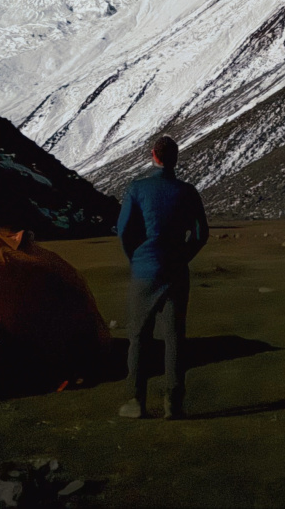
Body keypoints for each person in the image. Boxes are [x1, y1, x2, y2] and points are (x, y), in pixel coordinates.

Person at [115, 133, 209, 420]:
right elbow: (201, 233)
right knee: (175, 337)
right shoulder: (187, 192)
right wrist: (183, 256)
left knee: (138, 337)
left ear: (153, 156)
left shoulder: (137, 188)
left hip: (145, 270)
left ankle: (135, 401)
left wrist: (136, 259)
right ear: (175, 159)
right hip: (175, 272)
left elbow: (124, 231)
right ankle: (173, 402)